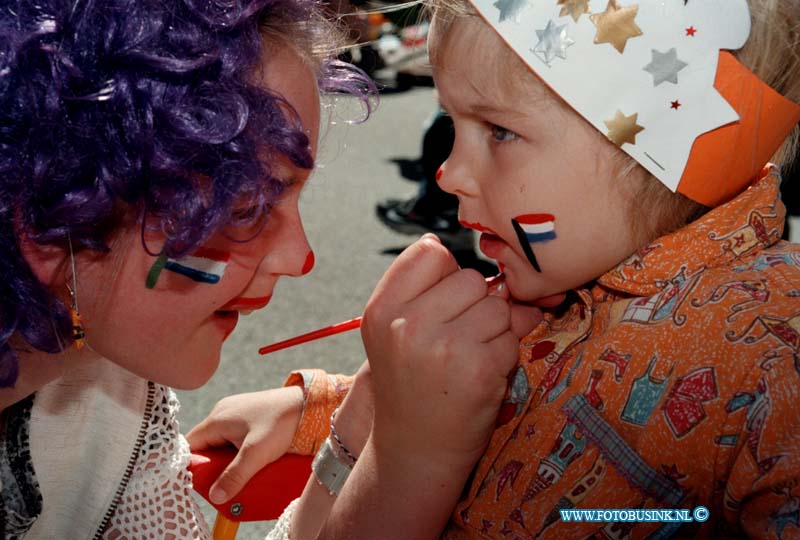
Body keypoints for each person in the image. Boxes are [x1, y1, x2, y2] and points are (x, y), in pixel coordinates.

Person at [191, 0, 800, 538]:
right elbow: (498, 401)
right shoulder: (568, 279)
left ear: (656, 153)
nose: (449, 174)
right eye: (455, 124)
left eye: (500, 131)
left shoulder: (778, 358)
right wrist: (325, 411)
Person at [0, 0, 374, 537]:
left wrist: (352, 426)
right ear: (52, 225)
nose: (299, 260)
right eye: (245, 209)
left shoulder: (120, 396)